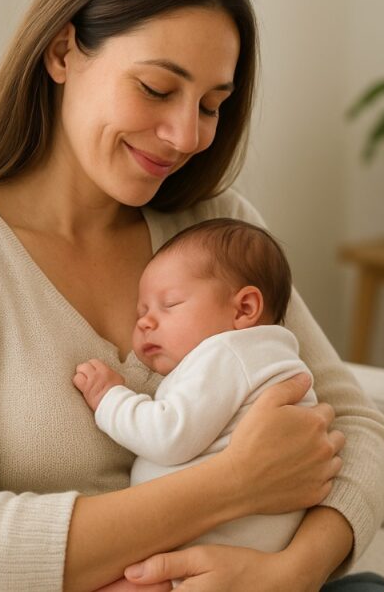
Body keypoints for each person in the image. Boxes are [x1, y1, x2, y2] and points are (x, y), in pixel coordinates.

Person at [0, 0, 384, 592]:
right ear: (61, 52)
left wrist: (286, 573)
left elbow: (360, 431)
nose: (186, 135)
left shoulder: (215, 229)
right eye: (157, 89)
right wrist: (233, 482)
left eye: (212, 104)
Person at [73, 218, 318, 561]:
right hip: (238, 547)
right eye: (141, 311)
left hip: (210, 546)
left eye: (169, 304)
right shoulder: (264, 359)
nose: (144, 321)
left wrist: (110, 399)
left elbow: (169, 435)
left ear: (244, 308)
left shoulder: (229, 353)